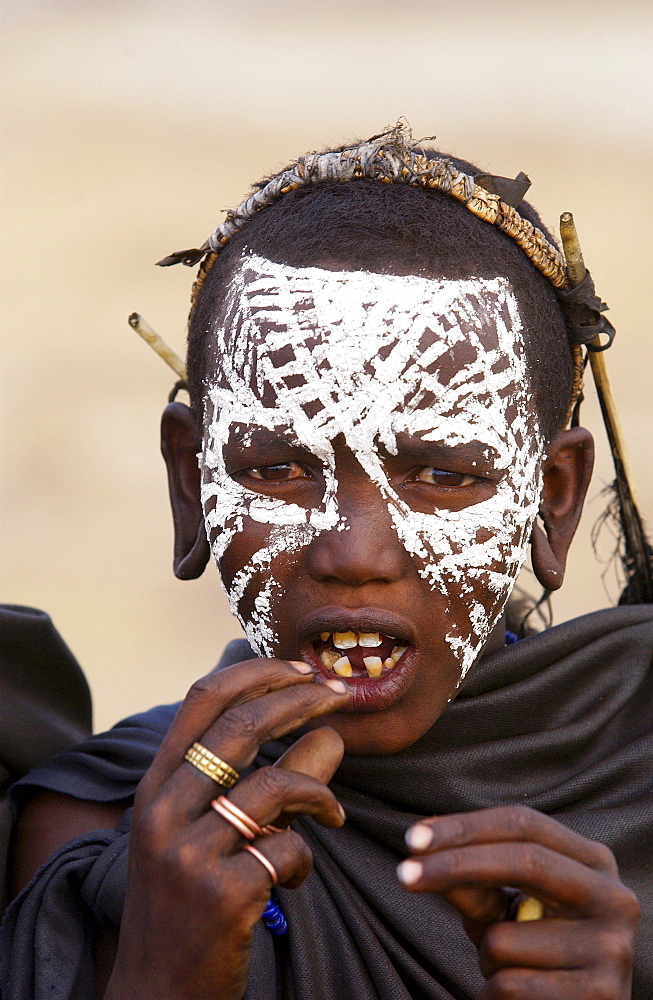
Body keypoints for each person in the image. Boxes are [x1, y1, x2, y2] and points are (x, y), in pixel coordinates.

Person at [2, 126, 651, 1000]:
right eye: (277, 469)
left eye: (442, 475)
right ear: (191, 486)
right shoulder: (102, 833)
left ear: (553, 498)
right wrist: (162, 970)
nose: (354, 553)